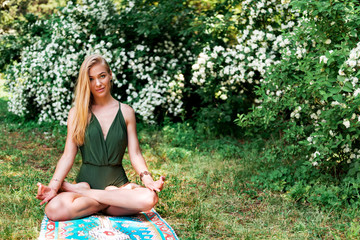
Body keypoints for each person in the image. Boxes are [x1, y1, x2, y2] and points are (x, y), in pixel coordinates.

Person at [36, 54, 165, 221]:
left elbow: (136, 154)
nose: (98, 83)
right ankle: (106, 199)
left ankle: (87, 194)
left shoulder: (126, 112)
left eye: (102, 76)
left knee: (150, 198)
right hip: (96, 187)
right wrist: (53, 186)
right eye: (91, 79)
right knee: (53, 210)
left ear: (110, 74)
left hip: (116, 186)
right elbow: (68, 155)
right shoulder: (77, 113)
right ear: (86, 82)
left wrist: (148, 180)